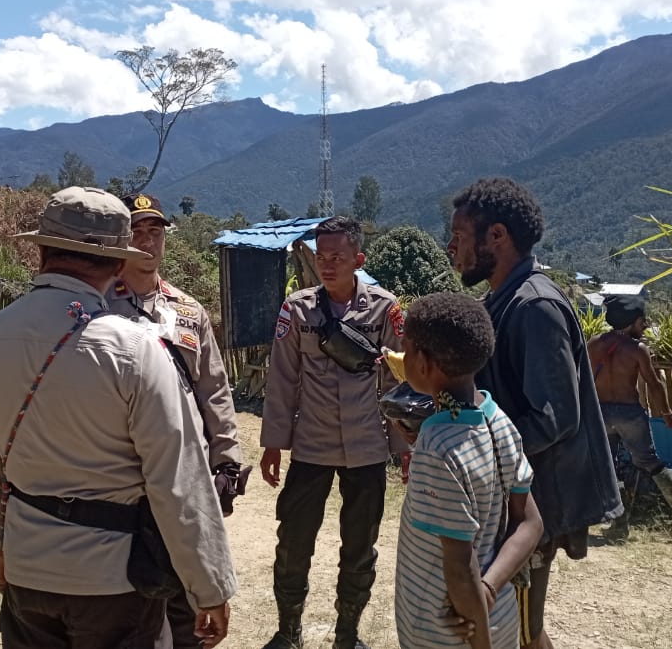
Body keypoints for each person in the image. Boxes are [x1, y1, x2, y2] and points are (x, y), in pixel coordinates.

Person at [0, 186, 237, 649]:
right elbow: (177, 477)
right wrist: (209, 585)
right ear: (114, 263)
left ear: (42, 251)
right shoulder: (137, 349)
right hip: (114, 578)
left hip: (29, 571)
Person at [447, 177, 622, 649]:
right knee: (520, 626)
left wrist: (480, 453)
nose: (451, 249)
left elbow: (555, 416)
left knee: (522, 629)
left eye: (459, 237)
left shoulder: (535, 307)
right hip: (511, 495)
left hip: (533, 500)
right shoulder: (502, 302)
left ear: (497, 237)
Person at [105, 193, 249, 649]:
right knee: (133, 594)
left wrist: (227, 460)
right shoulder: (98, 308)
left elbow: (215, 391)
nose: (147, 241)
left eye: (155, 231)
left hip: (190, 472)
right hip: (125, 475)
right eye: (136, 231)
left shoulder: (188, 310)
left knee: (189, 589)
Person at [259, 216, 407, 649]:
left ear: (358, 259)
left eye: (338, 257)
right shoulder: (297, 309)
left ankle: (348, 634)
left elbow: (399, 381)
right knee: (293, 541)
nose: (327, 264)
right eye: (321, 256)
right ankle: (288, 632)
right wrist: (273, 443)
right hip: (311, 446)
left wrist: (404, 447)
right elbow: (283, 378)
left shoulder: (385, 309)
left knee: (360, 547)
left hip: (366, 448)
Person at [383, 292, 543, 649]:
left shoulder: (438, 447)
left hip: (449, 631)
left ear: (423, 363)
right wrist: (490, 588)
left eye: (406, 349)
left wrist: (480, 640)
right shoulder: (495, 418)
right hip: (497, 613)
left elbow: (459, 566)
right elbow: (531, 523)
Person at [588, 294, 672, 538]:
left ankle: (619, 525)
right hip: (630, 414)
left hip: (601, 414)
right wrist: (666, 412)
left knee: (609, 468)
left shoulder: (593, 344)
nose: (645, 325)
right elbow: (654, 383)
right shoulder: (637, 350)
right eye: (642, 322)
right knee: (650, 461)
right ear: (630, 322)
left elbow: (580, 380)